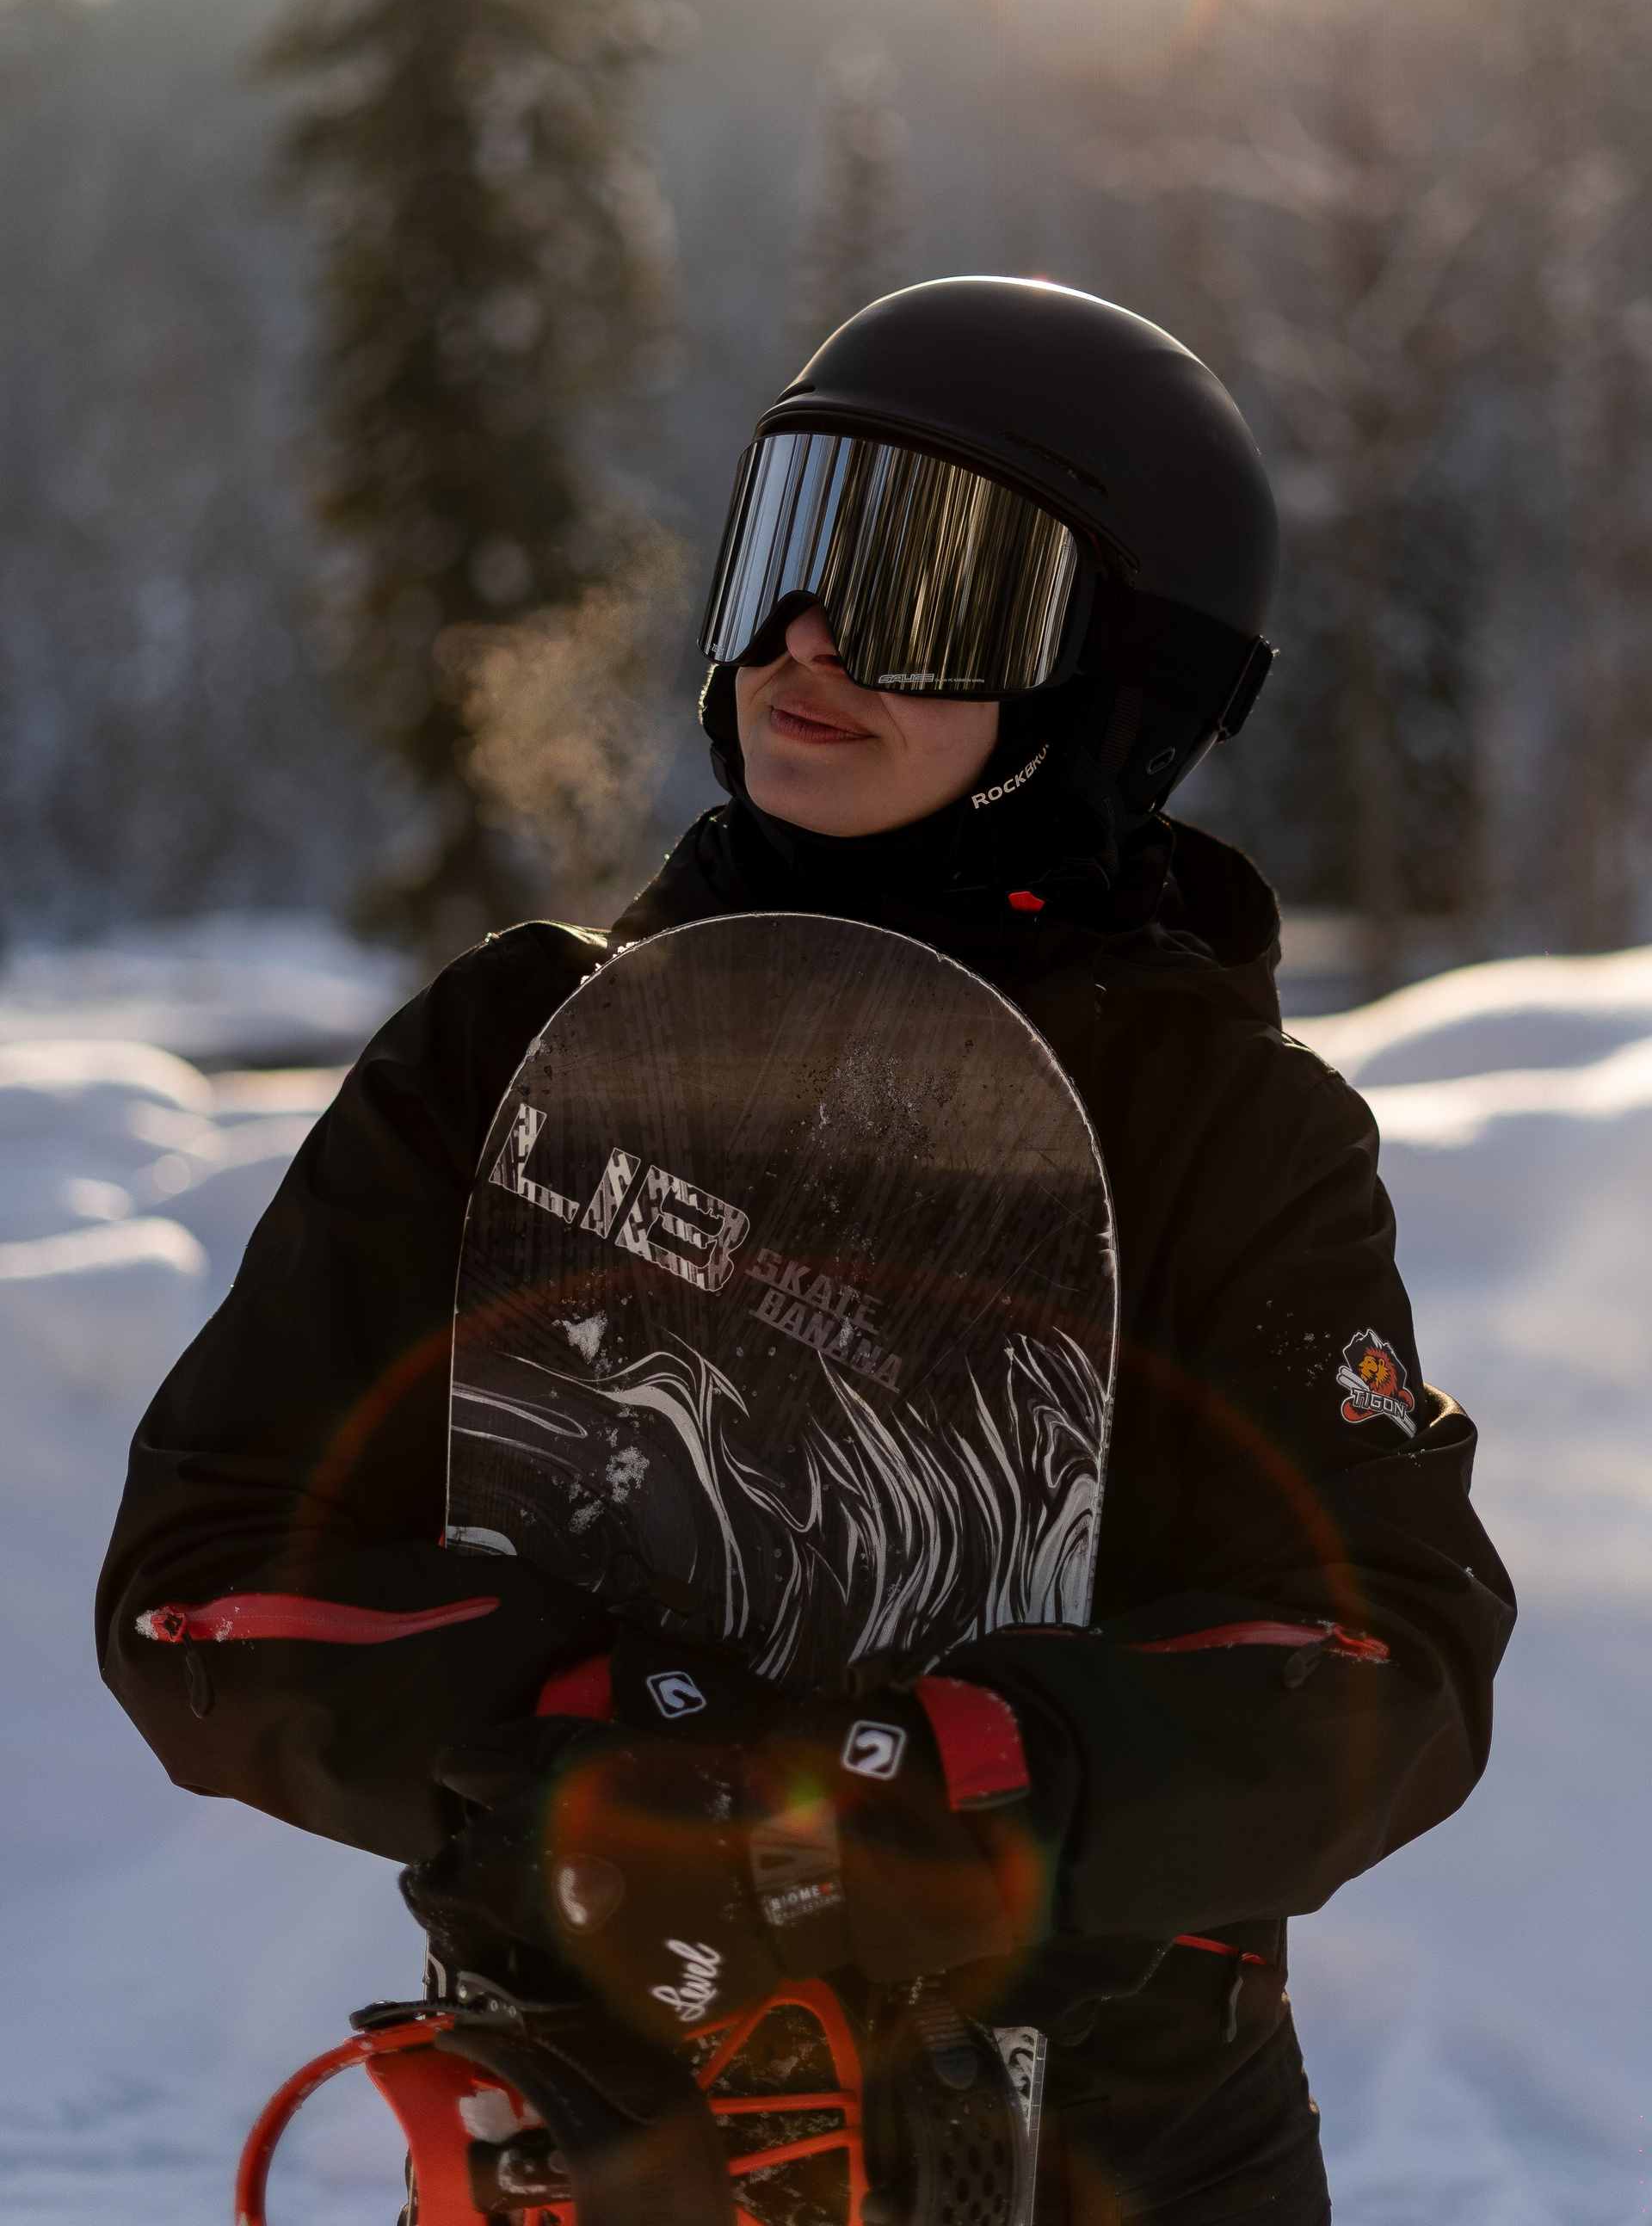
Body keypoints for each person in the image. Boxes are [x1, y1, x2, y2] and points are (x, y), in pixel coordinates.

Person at [98, 278, 1514, 2226]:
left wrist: (989, 1774)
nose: (811, 638)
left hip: (1117, 2151)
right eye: (795, 544)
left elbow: (1388, 1654)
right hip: (603, 2127)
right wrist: (570, 1736)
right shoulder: (509, 1057)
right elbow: (201, 1589)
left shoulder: (1220, 1128)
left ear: (1117, 681)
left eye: (933, 587)